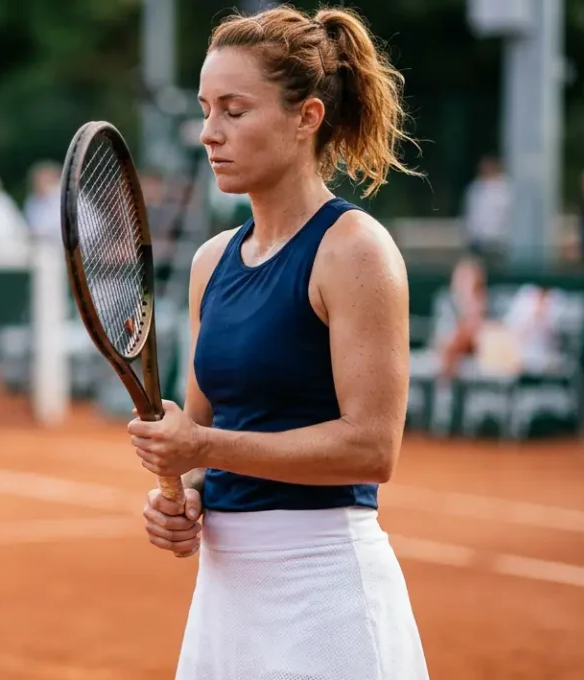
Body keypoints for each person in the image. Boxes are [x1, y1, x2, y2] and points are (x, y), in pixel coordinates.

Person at [126, 6, 429, 679]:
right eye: (207, 109)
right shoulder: (210, 263)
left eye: (234, 109)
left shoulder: (355, 251)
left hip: (325, 596)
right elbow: (207, 432)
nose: (209, 133)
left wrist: (203, 449)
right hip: (226, 597)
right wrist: (185, 494)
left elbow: (371, 448)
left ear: (307, 118)